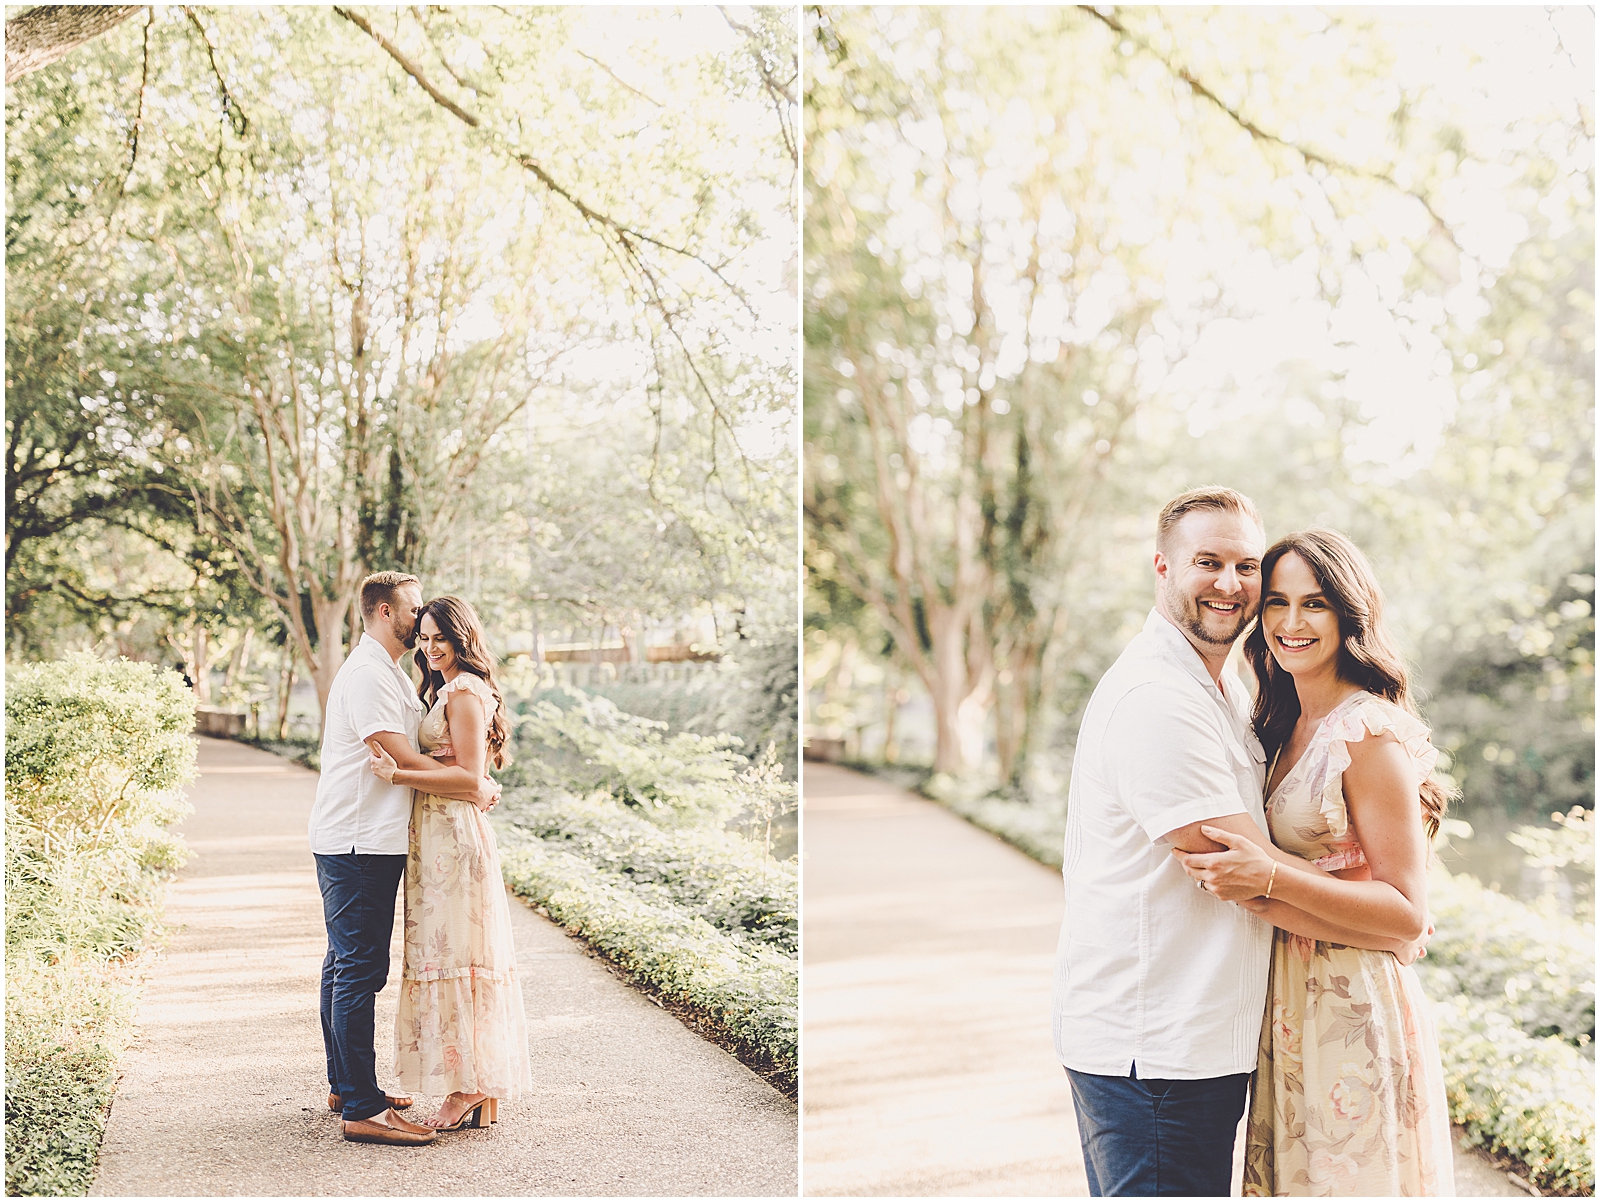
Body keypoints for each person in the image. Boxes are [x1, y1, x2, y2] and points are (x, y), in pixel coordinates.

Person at [1050, 487, 1426, 1197]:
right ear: (1162, 568)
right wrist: (1387, 914)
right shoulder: (1160, 698)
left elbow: (1272, 872)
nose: (1233, 586)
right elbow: (1244, 877)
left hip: (1238, 1030)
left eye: (1246, 566)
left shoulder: (1226, 691)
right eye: (1208, 562)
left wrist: (1394, 914)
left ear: (1349, 613)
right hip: (1156, 1046)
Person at [1173, 529, 1455, 1196]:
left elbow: (1408, 917)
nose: (1291, 624)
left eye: (1315, 604)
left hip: (1350, 1005)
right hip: (1288, 1002)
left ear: (1349, 614)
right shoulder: (1280, 721)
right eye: (1277, 603)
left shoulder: (1368, 735)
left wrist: (1270, 875)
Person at [308, 571, 501, 1147]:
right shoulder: (368, 674)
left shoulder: (391, 674)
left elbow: (439, 762)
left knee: (344, 965)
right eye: (415, 611)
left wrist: (473, 781)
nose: (421, 624)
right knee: (359, 970)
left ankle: (349, 1086)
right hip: (358, 840)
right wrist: (474, 785)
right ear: (386, 610)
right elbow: (400, 758)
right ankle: (362, 1109)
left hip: (371, 838)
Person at [369, 595, 532, 1131]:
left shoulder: (465, 692)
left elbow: (467, 778)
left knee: (459, 954)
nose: (431, 648)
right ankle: (474, 1085)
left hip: (454, 841)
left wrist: (398, 775)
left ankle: (469, 1088)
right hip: (435, 838)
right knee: (445, 951)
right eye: (425, 637)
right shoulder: (443, 690)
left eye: (442, 638)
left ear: (462, 639)